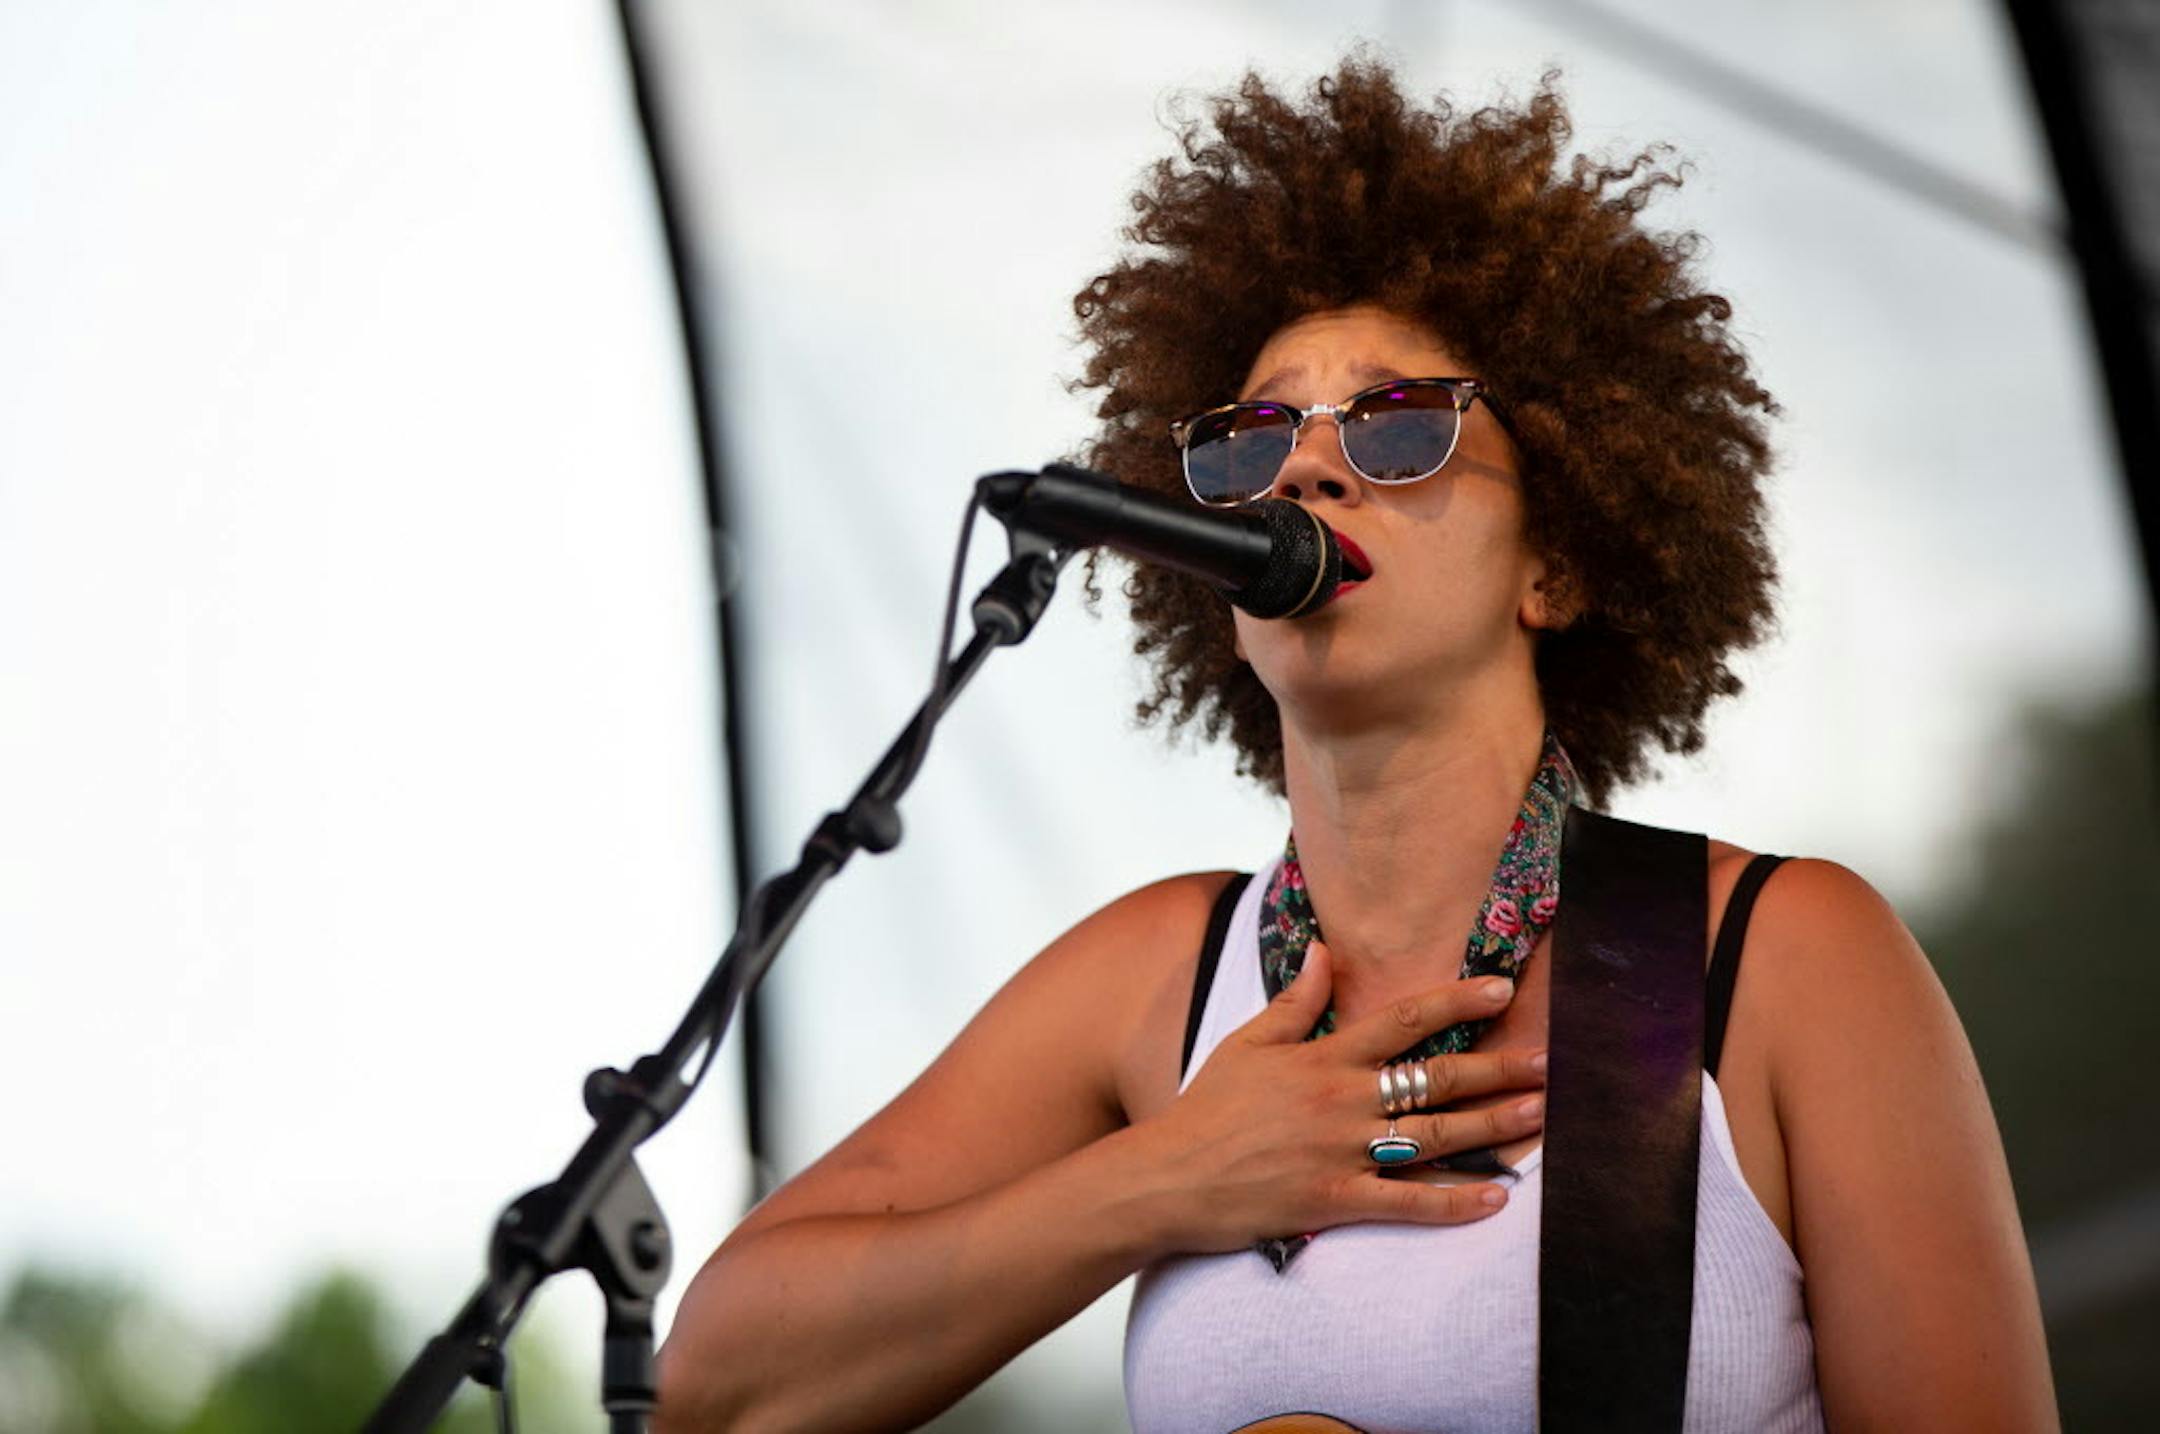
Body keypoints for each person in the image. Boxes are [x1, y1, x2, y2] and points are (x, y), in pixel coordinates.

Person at [653, 59, 2058, 1433]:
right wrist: (1175, 1173)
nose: (1307, 470)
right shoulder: (1153, 985)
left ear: (1555, 563)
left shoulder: (1778, 956)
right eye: (1255, 439)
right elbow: (712, 1388)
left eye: (1396, 425)